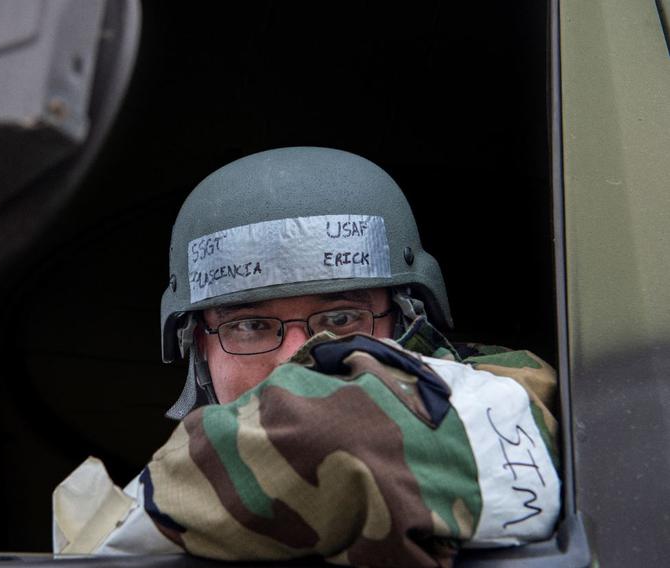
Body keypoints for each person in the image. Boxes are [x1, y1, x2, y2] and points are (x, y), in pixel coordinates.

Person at [52, 147, 560, 567]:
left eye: (340, 320)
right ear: (200, 348)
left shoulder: (508, 389)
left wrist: (128, 529)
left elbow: (334, 432)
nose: (299, 360)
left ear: (408, 324)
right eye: (250, 326)